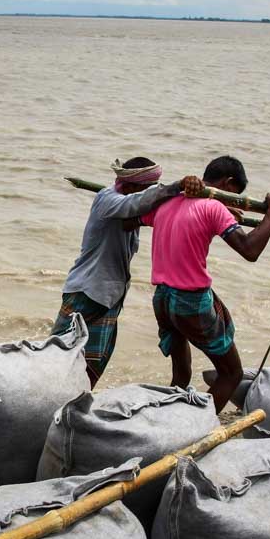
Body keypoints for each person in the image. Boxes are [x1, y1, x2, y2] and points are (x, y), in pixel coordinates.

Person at [141, 155, 270, 412]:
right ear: (227, 182)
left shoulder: (168, 203)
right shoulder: (213, 208)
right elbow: (249, 250)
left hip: (163, 300)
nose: (229, 200)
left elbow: (140, 219)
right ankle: (193, 425)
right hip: (190, 303)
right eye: (232, 193)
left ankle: (166, 420)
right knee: (231, 374)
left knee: (181, 375)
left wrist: (219, 212)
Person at [52, 157, 190, 386]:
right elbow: (137, 203)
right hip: (87, 292)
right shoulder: (108, 200)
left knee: (93, 363)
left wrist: (212, 207)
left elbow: (164, 210)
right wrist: (175, 187)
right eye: (148, 188)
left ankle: (75, 404)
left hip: (110, 296)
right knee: (57, 356)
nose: (152, 192)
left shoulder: (130, 207)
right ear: (132, 186)